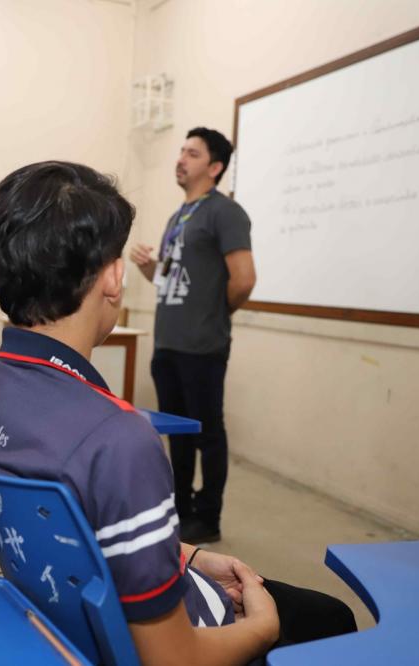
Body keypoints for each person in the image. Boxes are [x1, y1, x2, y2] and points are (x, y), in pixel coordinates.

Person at [0, 160, 355, 665]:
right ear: (114, 277)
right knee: (332, 618)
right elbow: (173, 660)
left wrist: (186, 554)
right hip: (161, 640)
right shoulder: (120, 441)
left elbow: (78, 534)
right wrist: (261, 627)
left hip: (61, 621)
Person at [129, 127, 257, 544]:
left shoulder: (225, 212)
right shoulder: (178, 216)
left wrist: (215, 314)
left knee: (207, 433)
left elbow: (243, 280)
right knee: (177, 432)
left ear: (215, 167)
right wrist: (151, 267)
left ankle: (208, 517)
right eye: (181, 151)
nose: (181, 158)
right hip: (168, 344)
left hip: (202, 346)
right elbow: (170, 280)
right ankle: (180, 509)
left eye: (193, 153)